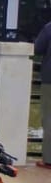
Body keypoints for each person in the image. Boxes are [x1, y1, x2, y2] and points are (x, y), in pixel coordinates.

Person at [34, 20, 51, 167]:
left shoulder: (49, 27)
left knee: (49, 118)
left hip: (50, 79)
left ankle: (49, 159)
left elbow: (38, 48)